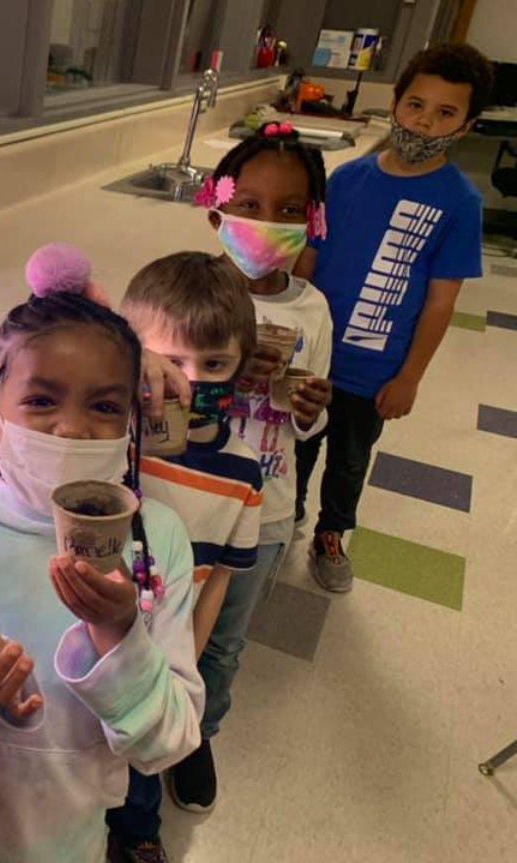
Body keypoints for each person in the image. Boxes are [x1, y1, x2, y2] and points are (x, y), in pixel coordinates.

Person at [0, 245, 203, 863]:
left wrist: (119, 635)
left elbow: (169, 741)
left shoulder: (157, 540)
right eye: (43, 401)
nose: (71, 429)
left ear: (132, 421)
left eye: (105, 407)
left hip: (66, 842)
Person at [165, 125, 334, 814]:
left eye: (290, 209)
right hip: (180, 498)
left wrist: (308, 407)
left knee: (224, 642)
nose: (269, 222)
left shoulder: (312, 308)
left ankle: (197, 735)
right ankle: (147, 723)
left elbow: (309, 422)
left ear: (312, 220)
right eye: (251, 204)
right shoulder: (187, 299)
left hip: (263, 509)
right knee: (162, 623)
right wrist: (227, 375)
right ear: (218, 211)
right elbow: (154, 397)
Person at [293, 44, 493, 592]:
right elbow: (309, 256)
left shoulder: (460, 203)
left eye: (445, 113)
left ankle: (331, 533)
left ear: (466, 126)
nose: (425, 122)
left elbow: (440, 301)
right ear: (396, 104)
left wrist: (409, 378)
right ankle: (287, 512)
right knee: (296, 443)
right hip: (315, 354)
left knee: (349, 461)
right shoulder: (347, 178)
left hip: (374, 371)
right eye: (416, 105)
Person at [108, 251, 263, 862]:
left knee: (143, 764)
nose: (191, 382)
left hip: (165, 646)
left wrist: (185, 667)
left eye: (215, 364)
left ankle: (139, 834)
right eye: (170, 363)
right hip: (92, 629)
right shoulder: (112, 436)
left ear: (243, 365)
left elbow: (220, 578)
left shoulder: (243, 473)